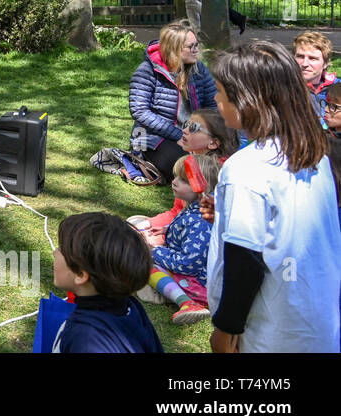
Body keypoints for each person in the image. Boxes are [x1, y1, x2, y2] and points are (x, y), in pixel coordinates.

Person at [201, 40, 341, 352]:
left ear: (247, 101)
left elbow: (245, 261)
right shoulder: (313, 152)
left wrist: (225, 329)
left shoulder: (246, 168)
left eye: (221, 92)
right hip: (316, 322)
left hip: (270, 331)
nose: (215, 98)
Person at [51, 212, 163, 353]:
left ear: (81, 274)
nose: (55, 252)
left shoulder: (84, 339)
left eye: (62, 249)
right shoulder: (130, 307)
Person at [128, 20, 216, 184]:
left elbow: (212, 105)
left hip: (192, 133)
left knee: (221, 159)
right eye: (191, 47)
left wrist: (209, 132)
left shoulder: (199, 69)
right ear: (174, 49)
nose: (196, 50)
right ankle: (144, 162)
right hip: (154, 138)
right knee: (190, 168)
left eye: (197, 45)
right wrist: (178, 135)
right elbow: (139, 111)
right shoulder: (147, 71)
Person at [137, 154, 219, 324]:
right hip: (195, 273)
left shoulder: (201, 222)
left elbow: (188, 264)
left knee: (147, 265)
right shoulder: (195, 209)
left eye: (184, 180)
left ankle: (186, 302)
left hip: (200, 283)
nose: (174, 182)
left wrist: (155, 251)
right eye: (176, 176)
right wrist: (166, 230)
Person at [128, 107, 237, 233]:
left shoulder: (215, 173)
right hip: (181, 226)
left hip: (198, 238)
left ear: (213, 143)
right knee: (134, 223)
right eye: (186, 124)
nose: (184, 130)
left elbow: (200, 226)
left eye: (194, 128)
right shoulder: (192, 163)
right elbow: (177, 211)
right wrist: (149, 224)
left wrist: (163, 233)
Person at [293, 31, 336, 124]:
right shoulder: (282, 88)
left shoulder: (337, 88)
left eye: (313, 58)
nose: (304, 64)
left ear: (326, 63)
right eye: (300, 56)